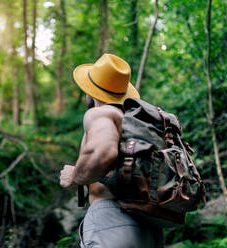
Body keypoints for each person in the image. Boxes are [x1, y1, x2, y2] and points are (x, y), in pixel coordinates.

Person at [59, 53, 164, 248]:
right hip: (149, 229)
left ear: (90, 92)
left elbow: (102, 152)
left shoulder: (100, 113)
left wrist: (75, 175)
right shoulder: (136, 123)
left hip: (111, 222)